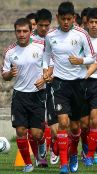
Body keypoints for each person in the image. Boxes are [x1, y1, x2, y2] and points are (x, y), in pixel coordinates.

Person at [43, 1, 96, 174]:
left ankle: (73, 154)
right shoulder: (50, 36)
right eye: (63, 19)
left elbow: (92, 57)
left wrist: (81, 61)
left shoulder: (81, 34)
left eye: (69, 19)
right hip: (59, 84)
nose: (66, 22)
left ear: (74, 18)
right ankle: (64, 165)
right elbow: (46, 56)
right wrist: (46, 71)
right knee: (63, 123)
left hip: (79, 84)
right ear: (57, 18)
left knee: (76, 127)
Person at [1, 18, 47, 172]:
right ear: (15, 32)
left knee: (36, 133)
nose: (21, 34)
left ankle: (41, 144)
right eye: (18, 31)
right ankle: (28, 164)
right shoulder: (10, 51)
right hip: (19, 95)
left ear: (30, 31)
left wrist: (45, 78)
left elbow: (51, 66)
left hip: (37, 94)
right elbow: (4, 75)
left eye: (25, 31)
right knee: (21, 131)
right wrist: (9, 73)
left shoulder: (41, 47)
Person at [79, 7, 97, 166]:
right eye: (91, 22)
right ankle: (86, 147)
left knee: (95, 119)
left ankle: (91, 154)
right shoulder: (80, 37)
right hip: (81, 82)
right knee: (84, 124)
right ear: (87, 23)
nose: (94, 25)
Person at [31, 8, 59, 165]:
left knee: (55, 127)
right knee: (36, 130)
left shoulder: (54, 40)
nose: (44, 28)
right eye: (41, 25)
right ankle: (42, 144)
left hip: (50, 88)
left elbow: (56, 63)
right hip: (32, 90)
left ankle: (55, 148)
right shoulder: (29, 41)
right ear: (35, 24)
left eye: (47, 25)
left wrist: (47, 77)